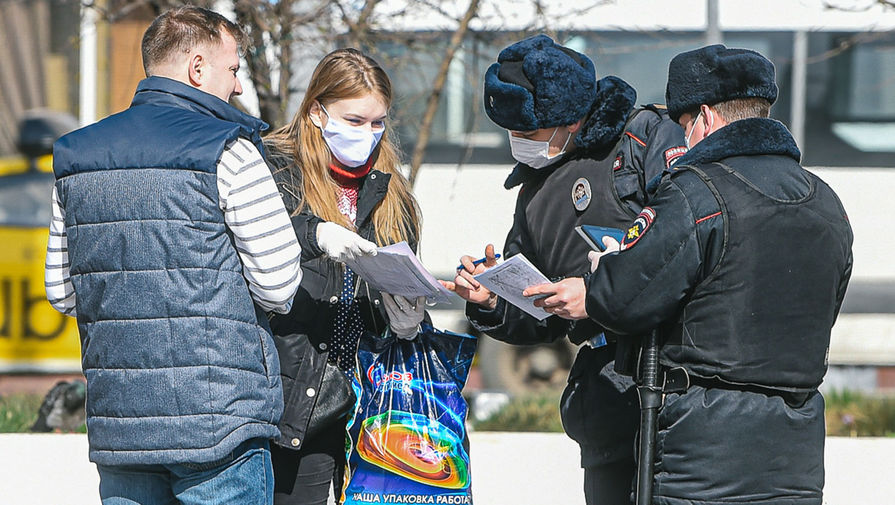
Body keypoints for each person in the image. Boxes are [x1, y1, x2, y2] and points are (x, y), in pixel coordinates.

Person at [527, 44, 854, 505]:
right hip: (796, 449)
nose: (682, 141)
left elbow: (624, 300)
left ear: (703, 117)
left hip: (703, 450)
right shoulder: (825, 202)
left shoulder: (695, 192)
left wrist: (605, 273)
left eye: (683, 127)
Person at [44, 6, 302, 504]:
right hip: (220, 420)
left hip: (123, 425)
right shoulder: (229, 148)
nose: (239, 88)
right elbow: (278, 283)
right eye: (234, 70)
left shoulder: (76, 154)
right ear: (197, 68)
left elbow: (61, 290)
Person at [444, 34, 686, 505]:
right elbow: (540, 316)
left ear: (570, 120)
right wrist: (493, 300)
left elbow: (682, 246)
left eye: (527, 133)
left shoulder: (645, 139)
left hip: (669, 384)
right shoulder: (534, 191)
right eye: (510, 133)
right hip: (603, 401)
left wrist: (595, 292)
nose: (517, 144)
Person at [262, 48, 427, 505]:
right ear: (317, 112)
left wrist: (406, 320)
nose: (369, 135)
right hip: (294, 402)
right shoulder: (276, 169)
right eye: (354, 121)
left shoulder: (392, 189)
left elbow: (400, 275)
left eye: (378, 123)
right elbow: (253, 240)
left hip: (374, 407)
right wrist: (315, 233)